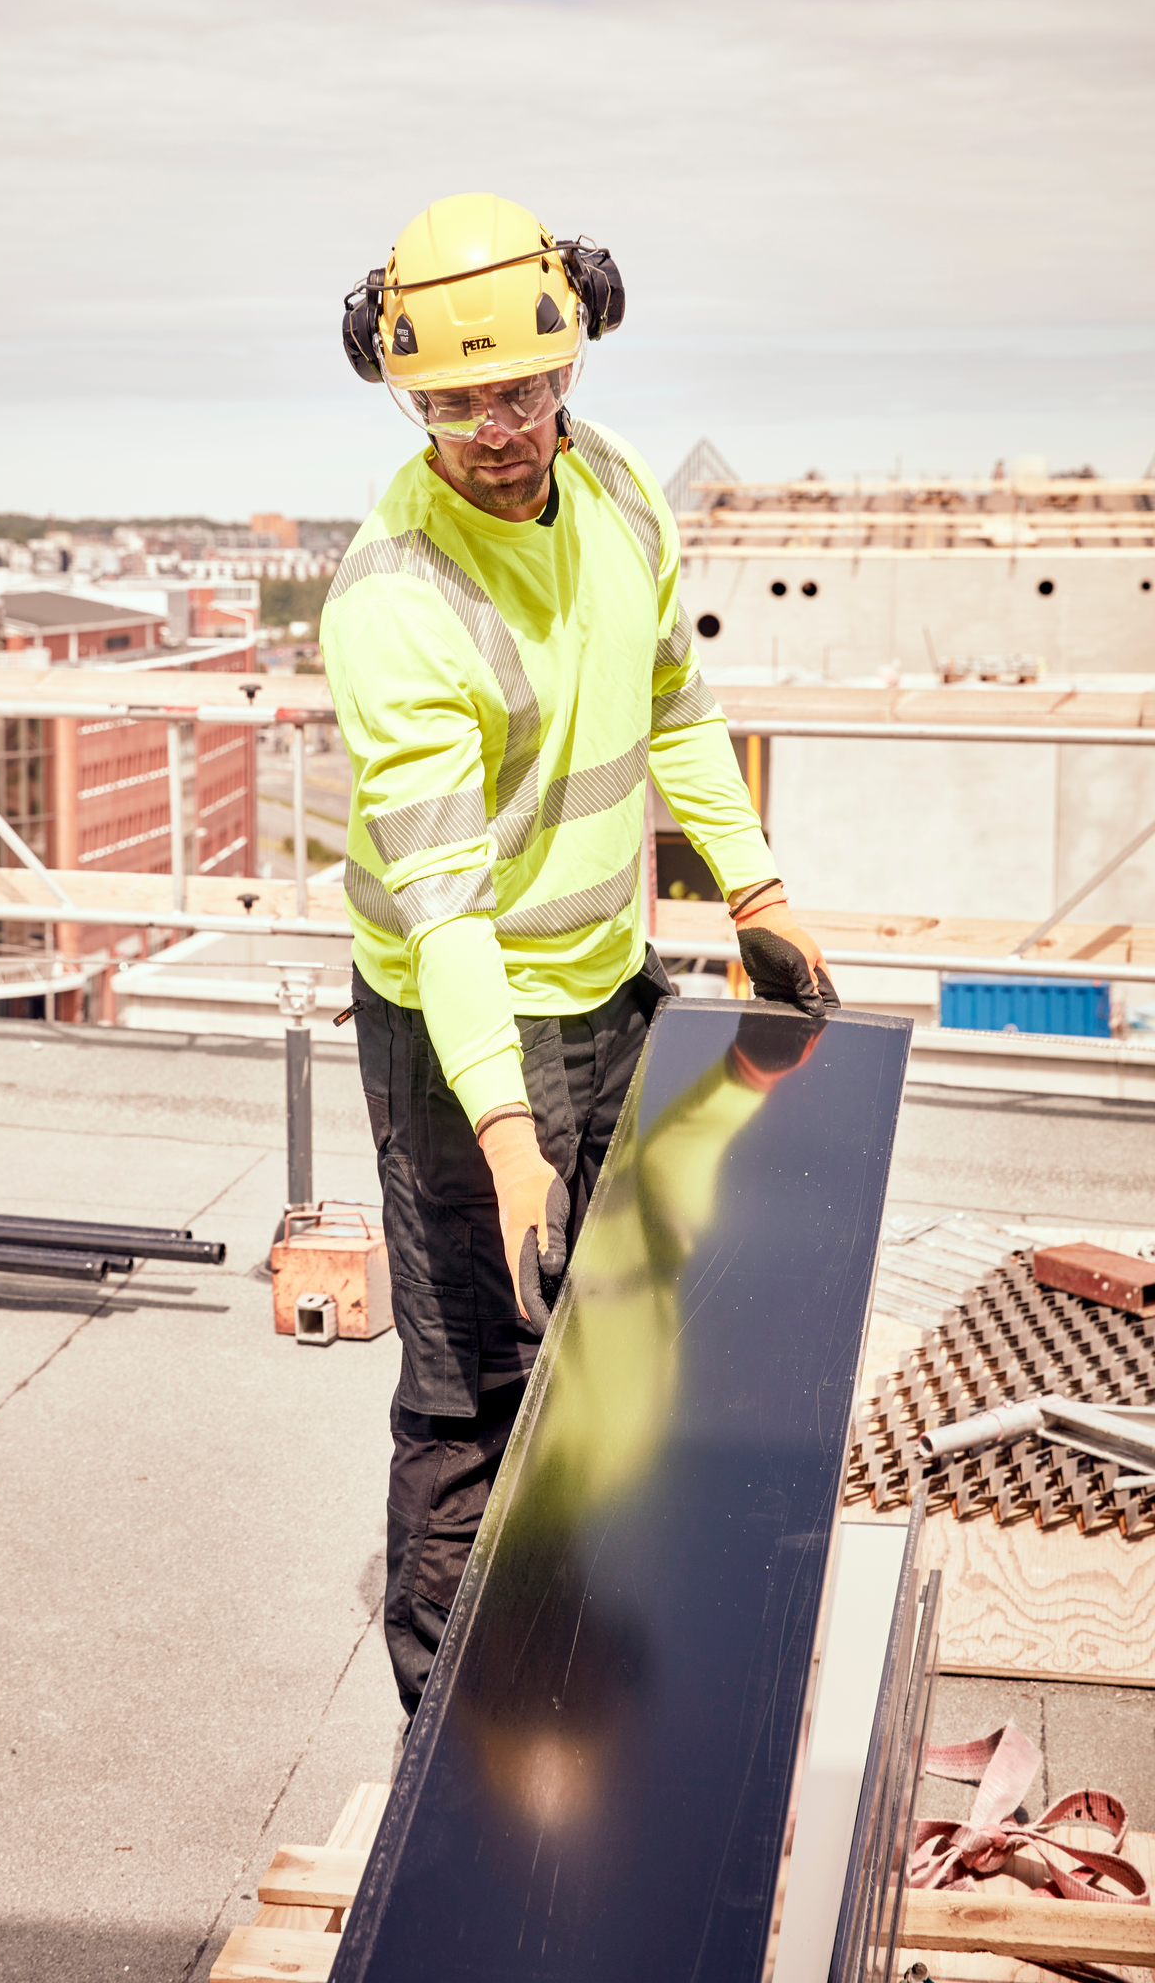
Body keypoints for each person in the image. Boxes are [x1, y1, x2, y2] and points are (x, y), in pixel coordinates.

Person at [321, 192, 837, 1719]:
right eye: (460, 398)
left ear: (576, 361)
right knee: (469, 1385)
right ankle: (452, 1734)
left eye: (525, 385)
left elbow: (673, 704)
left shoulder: (611, 488)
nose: (500, 424)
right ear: (408, 394)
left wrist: (754, 888)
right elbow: (446, 908)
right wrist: (506, 1141)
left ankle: (591, 1611)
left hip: (611, 984)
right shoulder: (394, 603)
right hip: (452, 1026)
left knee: (623, 1307)